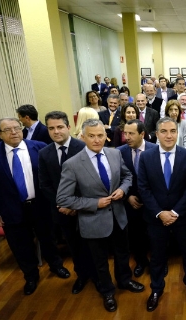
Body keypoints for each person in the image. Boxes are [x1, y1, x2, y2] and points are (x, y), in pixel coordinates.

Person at [57, 119, 145, 312]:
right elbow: (63, 198)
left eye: (100, 136)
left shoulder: (115, 153)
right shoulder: (72, 164)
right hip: (93, 221)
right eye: (91, 136)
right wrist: (93, 203)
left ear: (106, 136)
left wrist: (122, 190)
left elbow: (127, 176)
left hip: (119, 216)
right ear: (82, 136)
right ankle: (107, 291)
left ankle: (124, 281)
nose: (97, 140)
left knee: (123, 253)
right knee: (100, 261)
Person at [0, 118, 70, 295]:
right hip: (11, 209)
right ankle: (31, 276)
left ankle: (56, 266)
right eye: (8, 130)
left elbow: (52, 177)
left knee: (48, 239)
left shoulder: (39, 147)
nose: (14, 132)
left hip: (41, 205)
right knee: (21, 245)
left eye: (17, 128)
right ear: (0, 134)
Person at [138, 117, 186, 311]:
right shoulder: (146, 157)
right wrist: (159, 213)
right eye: (164, 131)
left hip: (182, 216)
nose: (169, 135)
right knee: (157, 256)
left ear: (178, 133)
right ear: (157, 134)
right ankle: (156, 289)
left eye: (173, 131)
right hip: (156, 218)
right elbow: (143, 188)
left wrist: (174, 212)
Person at [38, 111, 97, 294]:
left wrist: (75, 205)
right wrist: (63, 204)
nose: (56, 132)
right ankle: (81, 275)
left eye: (60, 127)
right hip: (62, 211)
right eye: (51, 128)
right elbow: (45, 184)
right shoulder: (44, 154)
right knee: (74, 246)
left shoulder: (83, 148)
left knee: (93, 246)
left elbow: (92, 181)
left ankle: (97, 277)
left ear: (68, 127)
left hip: (86, 208)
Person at [117, 119, 156, 278]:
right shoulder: (119, 152)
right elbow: (117, 178)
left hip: (153, 202)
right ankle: (141, 262)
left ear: (142, 134)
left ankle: (157, 263)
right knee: (135, 235)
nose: (127, 137)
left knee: (155, 236)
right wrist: (127, 197)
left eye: (131, 133)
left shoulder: (156, 150)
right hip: (131, 203)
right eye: (125, 133)